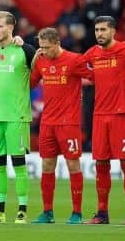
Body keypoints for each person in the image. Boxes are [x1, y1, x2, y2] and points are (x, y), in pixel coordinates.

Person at [0, 11, 36, 224]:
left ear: (11, 28)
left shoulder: (25, 51)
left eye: (0, 26)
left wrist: (27, 44)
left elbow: (41, 70)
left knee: (19, 164)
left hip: (16, 117)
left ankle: (22, 210)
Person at [29, 27, 93, 225]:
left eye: (47, 47)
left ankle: (77, 212)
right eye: (41, 47)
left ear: (57, 43)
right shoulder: (41, 60)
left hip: (69, 123)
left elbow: (95, 76)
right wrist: (33, 60)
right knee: (47, 165)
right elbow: (30, 84)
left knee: (73, 164)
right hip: (47, 122)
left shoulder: (75, 60)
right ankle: (47, 212)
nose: (44, 51)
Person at [83, 16, 125, 225]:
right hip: (100, 116)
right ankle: (102, 214)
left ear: (113, 31)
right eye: (97, 30)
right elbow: (75, 65)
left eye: (103, 30)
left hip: (121, 115)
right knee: (101, 164)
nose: (99, 34)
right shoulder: (92, 53)